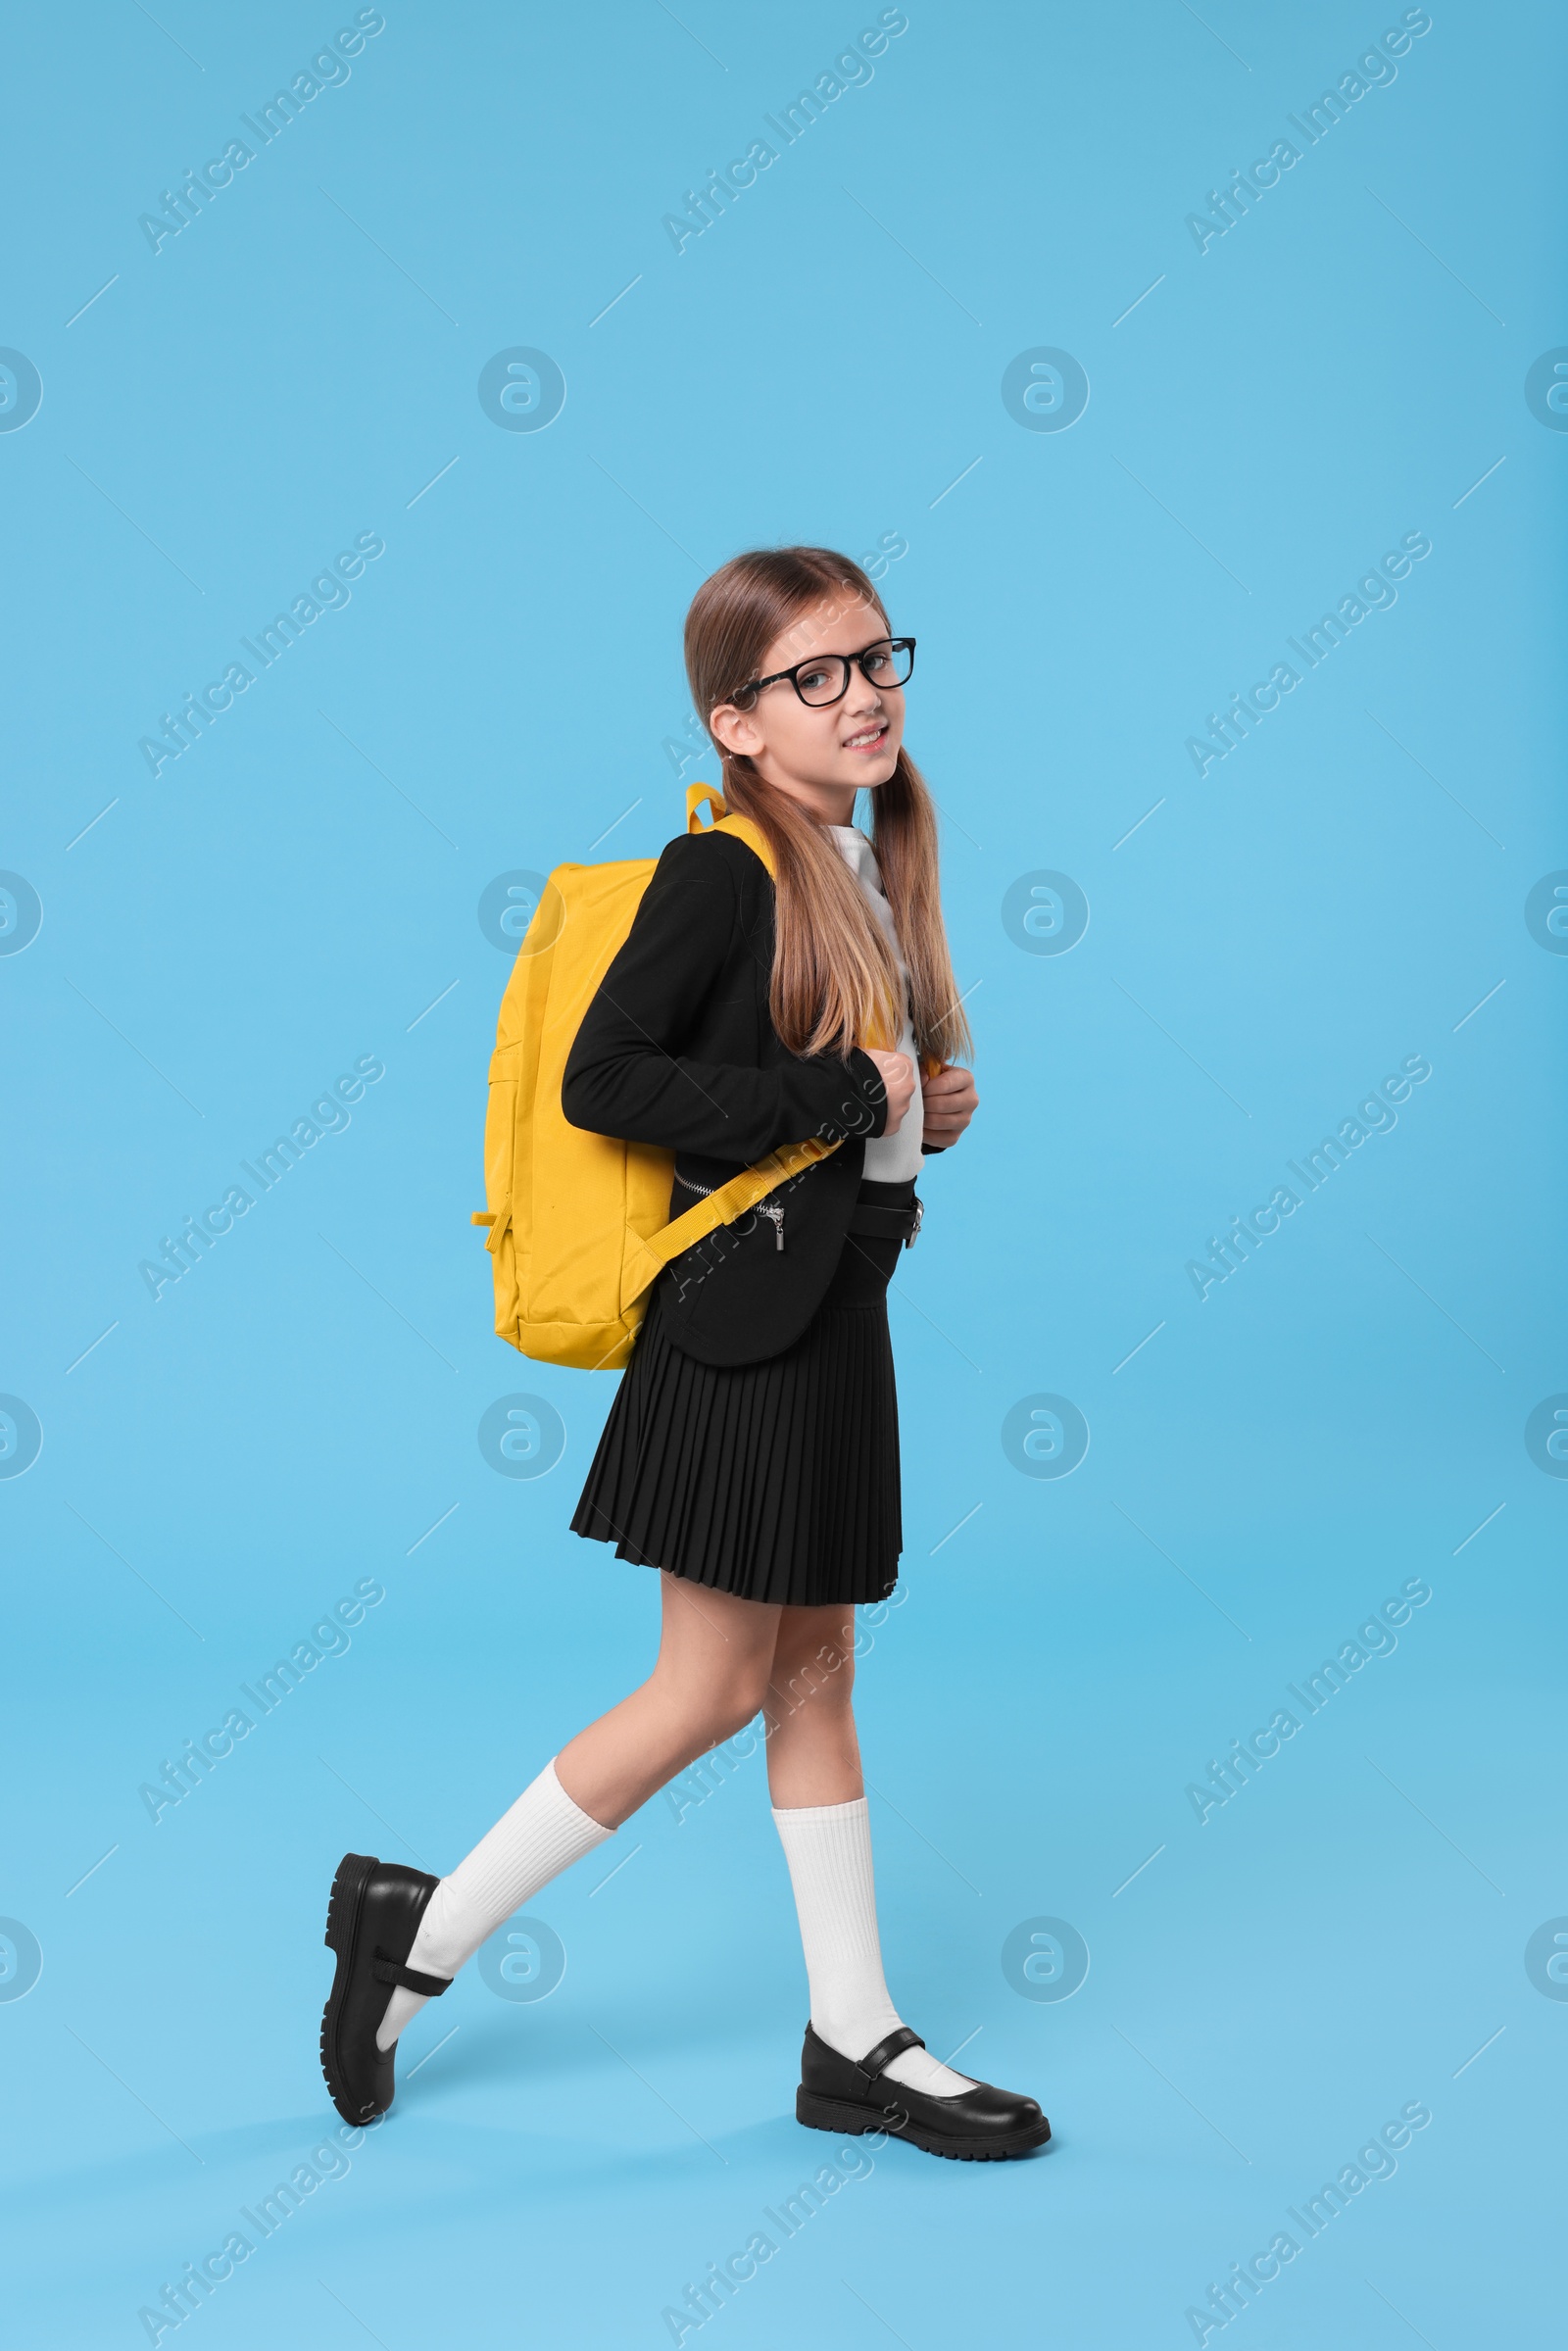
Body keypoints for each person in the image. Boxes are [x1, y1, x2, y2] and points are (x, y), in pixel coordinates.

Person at [319, 546, 1050, 2162]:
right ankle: (419, 1933)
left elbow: (830, 1101)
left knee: (813, 1678)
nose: (862, 695)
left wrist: (919, 1117)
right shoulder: (721, 873)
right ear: (736, 720)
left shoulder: (863, 867)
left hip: (832, 1327)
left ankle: (853, 2037)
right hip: (742, 1342)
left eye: (877, 660)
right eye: (816, 677)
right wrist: (842, 1105)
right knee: (713, 1686)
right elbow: (609, 1080)